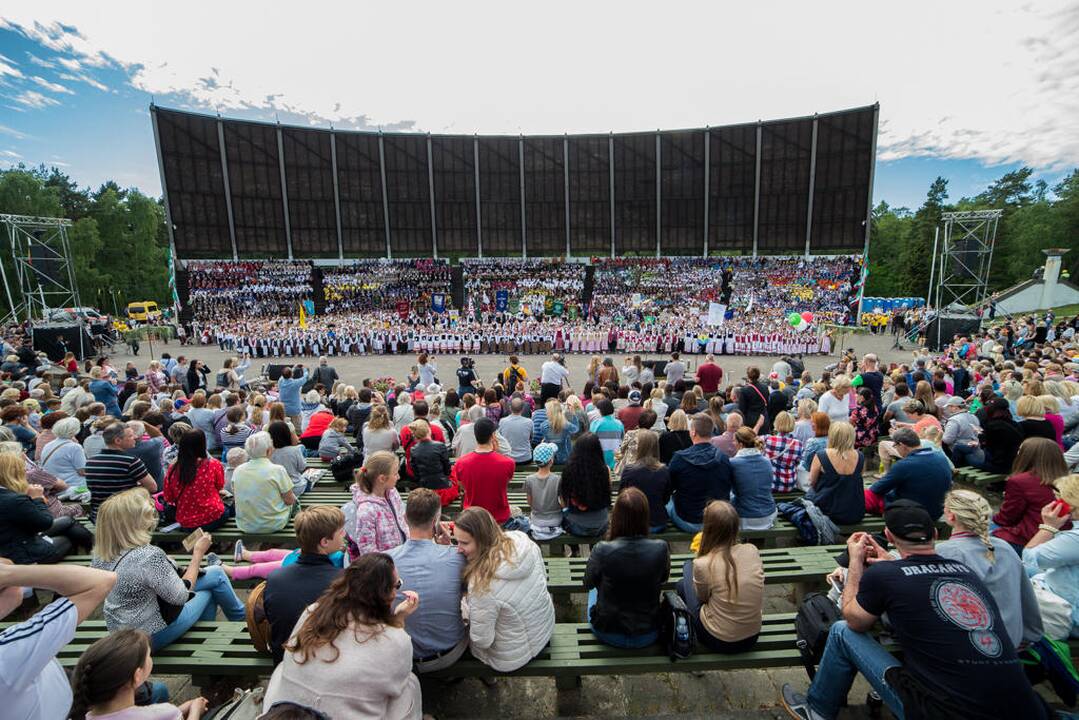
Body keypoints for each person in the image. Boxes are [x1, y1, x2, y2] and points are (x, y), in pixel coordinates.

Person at [781, 501, 1049, 720]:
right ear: (934, 535)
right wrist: (891, 565)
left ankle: (817, 709)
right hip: (1024, 707)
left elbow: (854, 619)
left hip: (941, 711)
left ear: (887, 536)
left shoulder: (886, 575)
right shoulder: (966, 574)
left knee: (841, 631)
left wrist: (855, 563)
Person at [263, 553, 423, 720]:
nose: (398, 588)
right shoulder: (395, 640)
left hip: (284, 711)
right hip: (325, 714)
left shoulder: (313, 611)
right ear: (386, 594)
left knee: (282, 668)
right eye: (397, 585)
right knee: (410, 684)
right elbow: (396, 677)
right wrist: (398, 621)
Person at [90, 488, 245, 650]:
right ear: (133, 524)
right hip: (148, 636)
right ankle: (225, 637)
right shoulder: (149, 556)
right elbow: (182, 596)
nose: (151, 520)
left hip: (119, 632)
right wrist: (198, 554)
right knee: (210, 589)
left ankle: (227, 629)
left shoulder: (100, 556)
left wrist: (166, 564)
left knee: (216, 573)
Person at [0, 561, 116, 720]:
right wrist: (8, 573)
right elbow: (102, 580)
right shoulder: (12, 650)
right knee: (153, 690)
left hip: (50, 683)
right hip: (68, 707)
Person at [936, 490, 1043, 649]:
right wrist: (1030, 634)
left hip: (972, 647)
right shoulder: (1004, 547)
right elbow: (1026, 597)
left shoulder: (946, 552)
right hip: (1010, 640)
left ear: (951, 517)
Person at [453, 507, 555, 672]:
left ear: (483, 540)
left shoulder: (482, 584)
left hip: (513, 656)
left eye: (464, 543)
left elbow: (482, 641)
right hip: (544, 627)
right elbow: (543, 579)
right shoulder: (523, 542)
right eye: (456, 541)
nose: (458, 549)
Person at [386, 488, 469, 673]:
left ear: (405, 519)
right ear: (435, 522)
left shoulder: (384, 560)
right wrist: (449, 548)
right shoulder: (456, 557)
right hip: (450, 651)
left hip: (404, 653)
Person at [584, 488, 669, 647]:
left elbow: (588, 583)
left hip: (608, 631)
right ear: (645, 516)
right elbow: (663, 578)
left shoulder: (602, 549)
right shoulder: (661, 548)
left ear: (616, 516)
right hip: (649, 631)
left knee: (594, 588)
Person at [262, 506, 347, 664]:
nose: (344, 535)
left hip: (284, 661)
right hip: (324, 664)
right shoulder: (343, 581)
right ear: (324, 542)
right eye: (341, 532)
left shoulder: (275, 577)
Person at [676, 500, 764, 653]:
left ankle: (687, 636)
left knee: (685, 575)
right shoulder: (751, 550)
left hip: (718, 639)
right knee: (685, 579)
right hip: (752, 636)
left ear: (708, 529)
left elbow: (702, 598)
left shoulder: (704, 564)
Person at [69, 629, 209, 720]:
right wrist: (196, 710)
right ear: (137, 675)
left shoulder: (85, 715)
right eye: (149, 655)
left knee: (159, 689)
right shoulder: (166, 713)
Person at [0, 453, 88, 563]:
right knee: (68, 539)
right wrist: (38, 499)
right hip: (21, 555)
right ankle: (98, 552)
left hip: (13, 543)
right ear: (14, 473)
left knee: (67, 521)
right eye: (23, 469)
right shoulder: (14, 499)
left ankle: (97, 549)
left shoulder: (8, 495)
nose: (25, 471)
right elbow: (45, 522)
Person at [992, 438, 1070, 551]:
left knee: (979, 528)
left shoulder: (1020, 481)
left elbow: (1006, 518)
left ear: (1026, 455)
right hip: (1061, 540)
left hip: (1029, 540)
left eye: (1020, 451)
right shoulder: (1069, 481)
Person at [454, 418, 527, 532]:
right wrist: (497, 453)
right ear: (493, 436)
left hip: (474, 517)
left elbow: (462, 486)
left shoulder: (461, 463)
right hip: (499, 517)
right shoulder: (508, 463)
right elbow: (504, 483)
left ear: (475, 435)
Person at [864, 427, 952, 520]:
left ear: (902, 445)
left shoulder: (904, 465)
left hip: (912, 513)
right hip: (936, 511)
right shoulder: (940, 457)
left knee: (867, 495)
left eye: (895, 446)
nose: (895, 448)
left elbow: (876, 489)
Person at [667, 414, 732, 533]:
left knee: (668, 503)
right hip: (718, 519)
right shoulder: (723, 458)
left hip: (689, 521)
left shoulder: (679, 458)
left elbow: (669, 487)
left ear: (693, 432)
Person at [84, 422, 157, 521]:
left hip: (98, 516)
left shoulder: (91, 461)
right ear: (118, 440)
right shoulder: (131, 461)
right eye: (131, 435)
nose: (135, 437)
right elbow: (152, 487)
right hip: (124, 517)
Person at [162, 428, 229, 532]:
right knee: (229, 507)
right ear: (203, 444)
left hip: (186, 522)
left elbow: (169, 497)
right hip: (212, 517)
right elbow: (219, 486)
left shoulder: (173, 469)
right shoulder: (213, 464)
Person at [232, 431, 297, 535]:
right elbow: (289, 500)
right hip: (273, 524)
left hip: (246, 524)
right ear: (268, 451)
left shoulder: (238, 470)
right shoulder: (277, 470)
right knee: (295, 502)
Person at [349, 450, 407, 559]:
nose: (398, 477)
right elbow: (367, 550)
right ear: (382, 479)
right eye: (395, 473)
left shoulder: (392, 492)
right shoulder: (366, 510)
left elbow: (402, 518)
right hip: (385, 566)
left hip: (401, 555)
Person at [805, 422, 866, 526]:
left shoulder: (821, 455)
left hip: (827, 512)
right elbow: (859, 478)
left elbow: (812, 482)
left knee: (808, 495)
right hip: (855, 512)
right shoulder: (860, 456)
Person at [559, 432, 613, 537]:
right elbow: (608, 491)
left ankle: (574, 549)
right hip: (601, 524)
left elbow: (563, 500)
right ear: (598, 450)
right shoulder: (605, 470)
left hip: (575, 525)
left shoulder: (569, 470)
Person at [620, 429, 671, 533]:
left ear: (639, 447)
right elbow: (666, 498)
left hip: (633, 524)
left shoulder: (629, 470)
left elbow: (622, 496)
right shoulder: (664, 470)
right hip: (657, 523)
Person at [728, 427, 777, 530]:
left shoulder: (732, 463)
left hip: (744, 518)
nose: (733, 443)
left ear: (740, 444)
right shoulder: (766, 461)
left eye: (734, 441)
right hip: (769, 515)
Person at [407, 420, 455, 505]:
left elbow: (416, 474)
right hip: (442, 491)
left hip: (426, 491)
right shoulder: (440, 446)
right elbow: (447, 470)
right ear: (429, 430)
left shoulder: (413, 450)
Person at [973, 397, 1024, 473]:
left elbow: (986, 445)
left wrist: (980, 434)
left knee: (970, 457)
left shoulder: (993, 425)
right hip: (1014, 462)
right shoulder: (1015, 424)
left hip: (999, 465)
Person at [523, 443, 563, 540]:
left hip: (536, 520)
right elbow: (563, 504)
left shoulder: (529, 479)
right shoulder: (558, 479)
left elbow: (530, 502)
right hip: (556, 520)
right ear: (551, 461)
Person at [762, 411, 802, 493]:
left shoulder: (767, 439)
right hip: (789, 485)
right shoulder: (798, 444)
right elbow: (797, 463)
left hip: (771, 484)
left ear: (776, 423)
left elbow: (750, 438)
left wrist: (759, 424)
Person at [267, 420, 308, 496]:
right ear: (287, 434)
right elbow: (302, 468)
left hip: (277, 489)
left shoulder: (268, 453)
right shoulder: (295, 450)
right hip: (296, 488)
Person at [941, 396, 983, 468]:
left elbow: (947, 440)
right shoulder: (974, 416)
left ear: (955, 407)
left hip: (959, 454)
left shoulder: (953, 420)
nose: (948, 409)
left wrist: (941, 434)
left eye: (949, 406)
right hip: (975, 450)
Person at [537, 399, 578, 465]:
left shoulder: (543, 425)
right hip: (565, 458)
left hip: (550, 458)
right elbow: (576, 429)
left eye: (547, 410)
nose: (546, 412)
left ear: (550, 412)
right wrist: (573, 414)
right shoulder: (566, 425)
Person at [589, 398, 624, 470]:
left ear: (599, 410)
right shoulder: (619, 423)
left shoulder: (595, 423)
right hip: (615, 461)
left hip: (599, 460)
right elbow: (622, 439)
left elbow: (590, 441)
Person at [499, 398, 535, 465]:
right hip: (525, 458)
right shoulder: (529, 422)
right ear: (522, 409)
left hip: (508, 457)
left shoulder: (502, 422)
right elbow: (532, 437)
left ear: (510, 408)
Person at [737, 366, 771, 433]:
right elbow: (767, 403)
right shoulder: (765, 387)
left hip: (750, 421)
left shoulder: (744, 390)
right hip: (763, 418)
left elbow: (742, 409)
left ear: (748, 376)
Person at [276, 365, 308, 430]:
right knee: (298, 429)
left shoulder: (281, 381)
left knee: (285, 429)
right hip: (294, 410)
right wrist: (305, 369)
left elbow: (284, 375)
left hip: (283, 409)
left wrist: (293, 368)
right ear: (292, 374)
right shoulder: (295, 383)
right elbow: (305, 377)